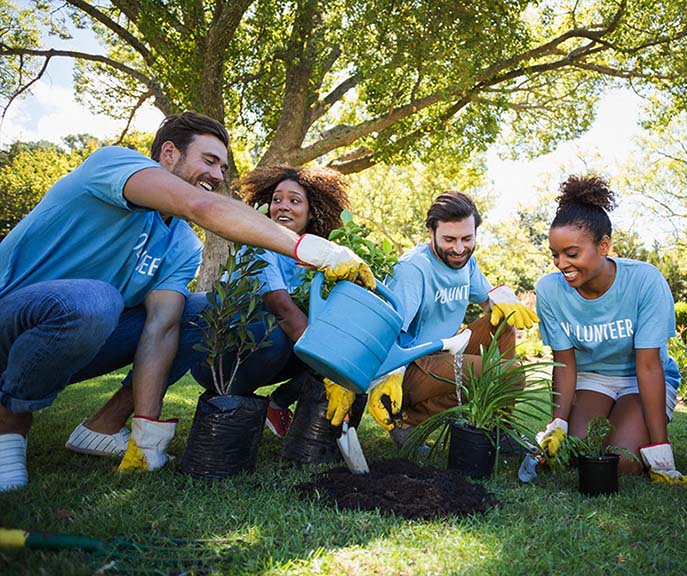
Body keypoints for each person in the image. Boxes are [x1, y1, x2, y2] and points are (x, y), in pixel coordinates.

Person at [0, 111, 374, 492]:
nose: (216, 175)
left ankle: (104, 426)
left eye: (222, 167)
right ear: (168, 153)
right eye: (209, 161)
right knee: (98, 299)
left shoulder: (181, 244)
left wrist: (147, 431)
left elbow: (162, 330)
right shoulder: (112, 165)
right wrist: (309, 249)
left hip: (76, 337)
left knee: (196, 310)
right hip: (12, 319)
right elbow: (199, 206)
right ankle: (9, 426)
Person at [323, 191, 539, 447]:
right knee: (509, 373)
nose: (459, 248)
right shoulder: (413, 270)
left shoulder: (465, 262)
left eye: (467, 239)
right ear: (431, 232)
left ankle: (496, 428)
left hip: (443, 353)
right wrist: (381, 377)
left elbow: (489, 301)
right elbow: (386, 331)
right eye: (449, 239)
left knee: (503, 322)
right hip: (408, 367)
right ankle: (407, 419)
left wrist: (504, 298)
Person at [533, 175, 687, 483]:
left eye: (572, 253)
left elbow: (649, 366)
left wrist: (660, 447)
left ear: (604, 245)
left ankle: (638, 429)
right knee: (577, 452)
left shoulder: (645, 281)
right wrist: (558, 423)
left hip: (641, 379)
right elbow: (565, 363)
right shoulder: (549, 290)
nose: (561, 263)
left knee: (622, 461)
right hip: (591, 378)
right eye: (555, 254)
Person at [190, 164, 351, 440]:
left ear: (312, 212)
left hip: (270, 352)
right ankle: (233, 403)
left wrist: (344, 364)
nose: (282, 207)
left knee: (333, 341)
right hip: (221, 357)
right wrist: (330, 370)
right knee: (282, 333)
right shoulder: (258, 245)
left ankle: (276, 405)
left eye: (294, 201)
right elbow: (283, 309)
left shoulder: (314, 257)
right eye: (276, 199)